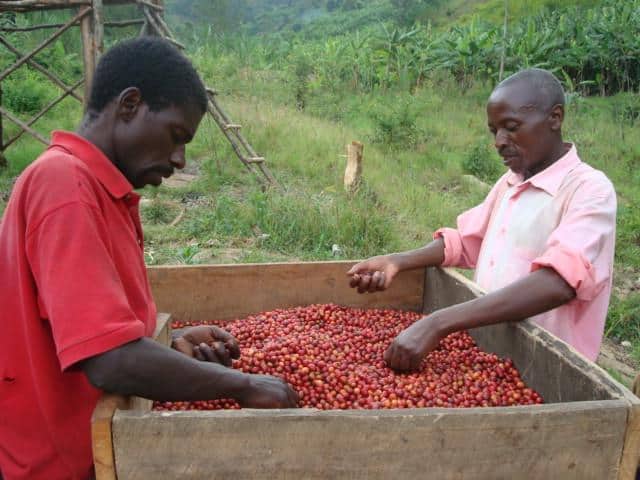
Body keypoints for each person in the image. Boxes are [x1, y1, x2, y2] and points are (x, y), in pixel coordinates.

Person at [0, 37, 298, 480]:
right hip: (59, 462)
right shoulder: (64, 186)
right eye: (176, 136)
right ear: (130, 104)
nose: (179, 159)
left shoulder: (103, 190)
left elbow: (86, 328)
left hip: (97, 444)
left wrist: (170, 346)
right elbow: (109, 359)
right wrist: (244, 385)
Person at [348, 68, 616, 372]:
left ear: (555, 118)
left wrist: (438, 322)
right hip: (493, 355)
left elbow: (558, 283)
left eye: (511, 127)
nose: (499, 142)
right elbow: (466, 241)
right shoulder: (510, 183)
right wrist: (397, 261)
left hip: (549, 372)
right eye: (494, 131)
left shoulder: (589, 190)